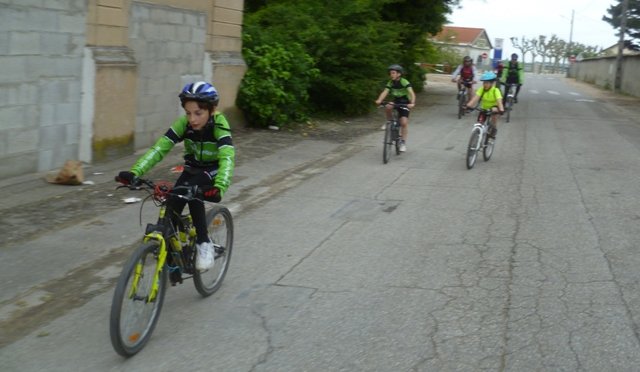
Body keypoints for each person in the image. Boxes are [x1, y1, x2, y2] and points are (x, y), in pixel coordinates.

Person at [115, 81, 235, 271]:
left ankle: (204, 244)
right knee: (173, 204)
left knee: (192, 192)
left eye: (198, 113)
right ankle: (173, 256)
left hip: (213, 169)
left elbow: (227, 157)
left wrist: (219, 186)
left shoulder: (219, 124)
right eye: (188, 113)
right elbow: (159, 148)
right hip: (192, 167)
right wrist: (135, 172)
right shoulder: (184, 125)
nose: (192, 119)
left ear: (211, 110)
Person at [375, 64, 416, 152]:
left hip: (405, 102)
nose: (391, 75)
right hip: (396, 101)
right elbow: (385, 92)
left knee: (404, 123)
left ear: (399, 74)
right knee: (388, 106)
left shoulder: (404, 81)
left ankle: (403, 142)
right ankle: (389, 122)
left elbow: (412, 93)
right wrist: (379, 100)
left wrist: (412, 103)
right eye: (390, 73)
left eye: (393, 73)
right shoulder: (390, 82)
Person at [465, 71, 505, 139]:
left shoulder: (495, 90)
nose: (484, 84)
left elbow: (499, 101)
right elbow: (475, 98)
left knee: (494, 117)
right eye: (484, 82)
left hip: (493, 108)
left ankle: (493, 130)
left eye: (487, 83)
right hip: (484, 108)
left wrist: (501, 109)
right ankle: (478, 136)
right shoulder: (482, 89)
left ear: (492, 83)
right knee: (480, 122)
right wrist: (468, 106)